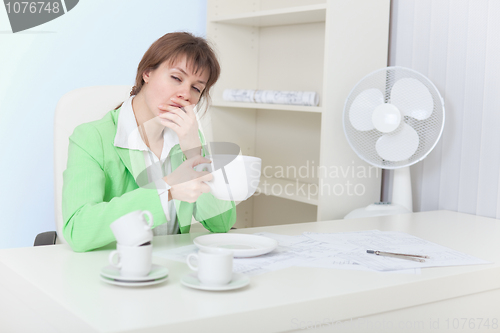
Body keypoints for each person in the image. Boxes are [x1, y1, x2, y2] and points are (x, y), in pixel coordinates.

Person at [62, 32, 236, 252]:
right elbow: (78, 231)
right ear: (147, 72)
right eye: (176, 78)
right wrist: (166, 190)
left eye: (196, 88)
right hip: (116, 268)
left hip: (172, 270)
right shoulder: (91, 137)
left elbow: (221, 224)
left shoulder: (189, 138)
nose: (184, 94)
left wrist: (194, 152)